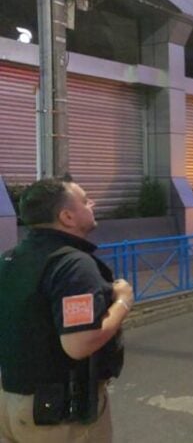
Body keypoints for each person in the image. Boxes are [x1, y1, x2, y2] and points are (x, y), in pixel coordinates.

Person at [0, 178, 132, 443]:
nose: (91, 204)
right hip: (57, 415)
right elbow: (79, 343)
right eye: (84, 200)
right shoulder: (72, 266)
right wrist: (123, 302)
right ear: (67, 216)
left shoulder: (10, 258)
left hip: (11, 401)